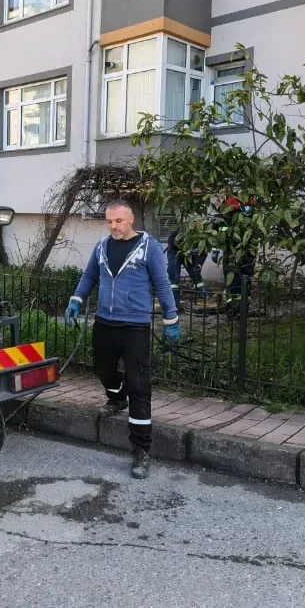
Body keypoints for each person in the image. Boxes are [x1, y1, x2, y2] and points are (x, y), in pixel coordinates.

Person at [66, 199, 180, 480]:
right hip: (105, 322)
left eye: (118, 221)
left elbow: (163, 284)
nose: (114, 226)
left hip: (135, 328)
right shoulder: (102, 246)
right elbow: (90, 275)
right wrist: (76, 299)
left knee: (140, 387)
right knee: (102, 369)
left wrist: (171, 320)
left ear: (131, 220)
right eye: (109, 221)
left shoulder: (148, 247)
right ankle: (117, 398)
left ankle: (141, 450)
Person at [166, 221, 208, 310]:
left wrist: (199, 264)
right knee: (174, 276)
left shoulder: (203, 237)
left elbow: (203, 252)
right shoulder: (185, 228)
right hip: (175, 249)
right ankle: (174, 303)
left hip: (188, 253)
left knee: (195, 273)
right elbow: (177, 241)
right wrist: (188, 250)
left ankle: (203, 298)